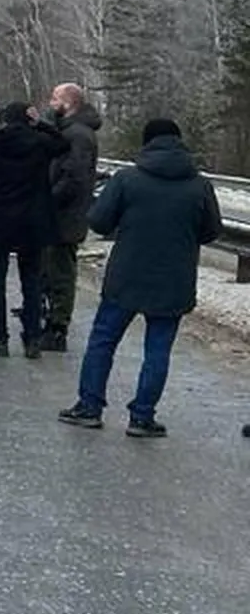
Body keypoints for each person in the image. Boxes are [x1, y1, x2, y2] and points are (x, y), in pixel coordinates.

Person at [59, 119, 223, 437]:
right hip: (175, 279)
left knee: (103, 341)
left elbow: (100, 221)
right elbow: (211, 231)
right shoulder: (199, 185)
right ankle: (142, 416)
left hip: (126, 275)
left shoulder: (127, 179)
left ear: (146, 143)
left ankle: (89, 406)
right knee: (157, 349)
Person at [0, 101, 68, 358]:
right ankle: (33, 338)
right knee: (31, 281)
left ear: (5, 120)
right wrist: (42, 124)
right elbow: (64, 144)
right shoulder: (39, 144)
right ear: (29, 119)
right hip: (32, 223)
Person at [38, 83, 103, 351]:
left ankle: (57, 327)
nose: (51, 102)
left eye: (55, 98)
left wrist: (51, 199)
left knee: (61, 272)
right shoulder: (66, 130)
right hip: (58, 214)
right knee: (49, 268)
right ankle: (48, 317)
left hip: (65, 215)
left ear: (69, 103)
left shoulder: (78, 135)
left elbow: (74, 176)